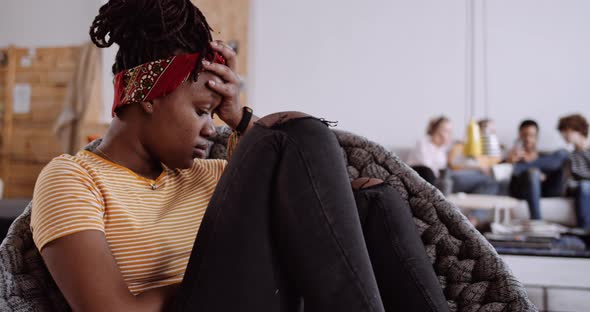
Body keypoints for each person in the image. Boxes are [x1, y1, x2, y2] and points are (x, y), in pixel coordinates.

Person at [30, 1, 448, 311]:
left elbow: (322, 201)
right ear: (149, 96)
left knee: (373, 199)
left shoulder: (212, 175)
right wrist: (205, 277)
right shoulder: (73, 177)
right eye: (200, 111)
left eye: (214, 115)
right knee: (296, 131)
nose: (212, 129)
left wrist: (241, 117)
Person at [506, 119, 568, 220]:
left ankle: (526, 169)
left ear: (537, 137)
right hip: (522, 190)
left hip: (546, 190)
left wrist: (541, 173)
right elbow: (500, 176)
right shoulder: (514, 157)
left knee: (563, 153)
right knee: (533, 173)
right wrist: (510, 163)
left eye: (531, 135)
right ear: (519, 136)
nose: (528, 139)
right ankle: (537, 221)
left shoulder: (545, 157)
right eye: (524, 135)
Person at [558, 114, 590, 228]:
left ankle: (585, 232)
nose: (564, 135)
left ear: (578, 130)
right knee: (583, 186)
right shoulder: (569, 155)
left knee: (585, 186)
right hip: (575, 187)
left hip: (585, 186)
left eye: (567, 131)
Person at [406, 116, 452, 186]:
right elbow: (425, 163)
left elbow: (442, 168)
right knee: (428, 171)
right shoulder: (422, 143)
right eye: (445, 130)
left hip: (433, 178)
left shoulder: (442, 149)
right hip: (417, 172)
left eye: (450, 131)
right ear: (436, 130)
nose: (448, 134)